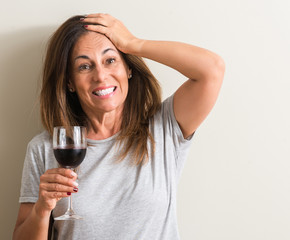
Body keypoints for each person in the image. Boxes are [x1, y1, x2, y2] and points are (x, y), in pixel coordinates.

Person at [13, 13, 225, 240]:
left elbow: (212, 69)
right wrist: (42, 209)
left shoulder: (164, 127)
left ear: (129, 69)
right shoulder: (44, 148)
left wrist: (133, 44)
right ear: (69, 83)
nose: (101, 76)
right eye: (85, 66)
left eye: (110, 60)